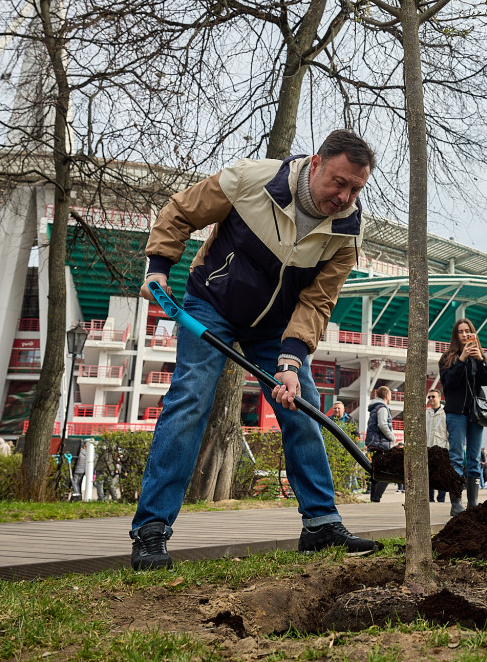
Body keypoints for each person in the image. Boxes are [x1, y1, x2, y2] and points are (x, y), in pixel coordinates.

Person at [129, 130, 380, 570]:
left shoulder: (347, 230)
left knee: (302, 406)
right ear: (316, 163)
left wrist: (290, 361)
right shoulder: (251, 179)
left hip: (275, 328)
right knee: (190, 401)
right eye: (338, 182)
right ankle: (151, 530)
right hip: (212, 304)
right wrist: (159, 267)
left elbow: (317, 302)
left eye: (355, 189)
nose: (344, 197)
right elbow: (181, 210)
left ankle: (321, 524)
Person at [439, 318, 487, 516]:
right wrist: (461, 359)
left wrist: (480, 360)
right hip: (456, 413)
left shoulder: (479, 355)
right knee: (455, 457)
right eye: (461, 332)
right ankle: (456, 504)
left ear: (473, 334)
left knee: (474, 458)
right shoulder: (448, 357)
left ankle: (473, 503)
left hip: (476, 414)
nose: (464, 335)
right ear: (455, 335)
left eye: (468, 331)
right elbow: (447, 382)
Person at [365, 385, 395, 503]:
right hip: (381, 444)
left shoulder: (374, 408)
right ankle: (376, 497)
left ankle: (373, 498)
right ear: (387, 395)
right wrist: (392, 437)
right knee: (389, 472)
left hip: (374, 443)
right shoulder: (382, 408)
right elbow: (382, 425)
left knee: (376, 472)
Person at [426, 389, 448, 503]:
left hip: (441, 448)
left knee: (441, 474)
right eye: (429, 397)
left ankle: (441, 498)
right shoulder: (426, 413)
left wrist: (447, 448)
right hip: (428, 448)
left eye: (433, 396)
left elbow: (449, 432)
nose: (431, 399)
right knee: (429, 474)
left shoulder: (446, 413)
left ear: (439, 398)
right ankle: (430, 498)